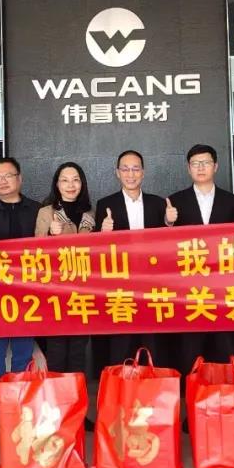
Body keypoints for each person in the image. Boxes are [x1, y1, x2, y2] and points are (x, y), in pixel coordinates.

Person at [0, 156, 40, 433]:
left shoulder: (36, 209)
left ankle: (19, 405)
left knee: (23, 354)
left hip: (28, 294)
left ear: (19, 179)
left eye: (8, 176)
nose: (2, 181)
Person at [167, 144, 234, 370]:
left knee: (225, 345)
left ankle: (226, 387)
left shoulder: (232, 201)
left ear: (216, 166)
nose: (200, 168)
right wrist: (168, 223)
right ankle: (191, 387)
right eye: (195, 163)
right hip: (189, 288)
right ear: (188, 168)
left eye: (206, 163)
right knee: (190, 347)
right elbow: (166, 245)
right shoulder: (175, 201)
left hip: (223, 286)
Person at [94, 149, 168, 365]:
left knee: (151, 339)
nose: (131, 174)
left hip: (152, 283)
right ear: (117, 173)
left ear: (143, 172)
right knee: (122, 340)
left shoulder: (158, 203)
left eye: (135, 169)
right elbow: (97, 249)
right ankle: (121, 382)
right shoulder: (105, 205)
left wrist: (169, 223)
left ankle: (152, 381)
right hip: (121, 284)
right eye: (125, 169)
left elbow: (169, 244)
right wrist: (103, 232)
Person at [35, 162, 95, 375]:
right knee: (57, 348)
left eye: (75, 180)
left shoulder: (90, 212)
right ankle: (57, 394)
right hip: (56, 291)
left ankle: (76, 392)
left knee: (79, 348)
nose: (71, 185)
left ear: (82, 184)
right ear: (57, 184)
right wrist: (50, 234)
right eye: (65, 180)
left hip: (83, 290)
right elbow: (36, 251)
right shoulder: (46, 212)